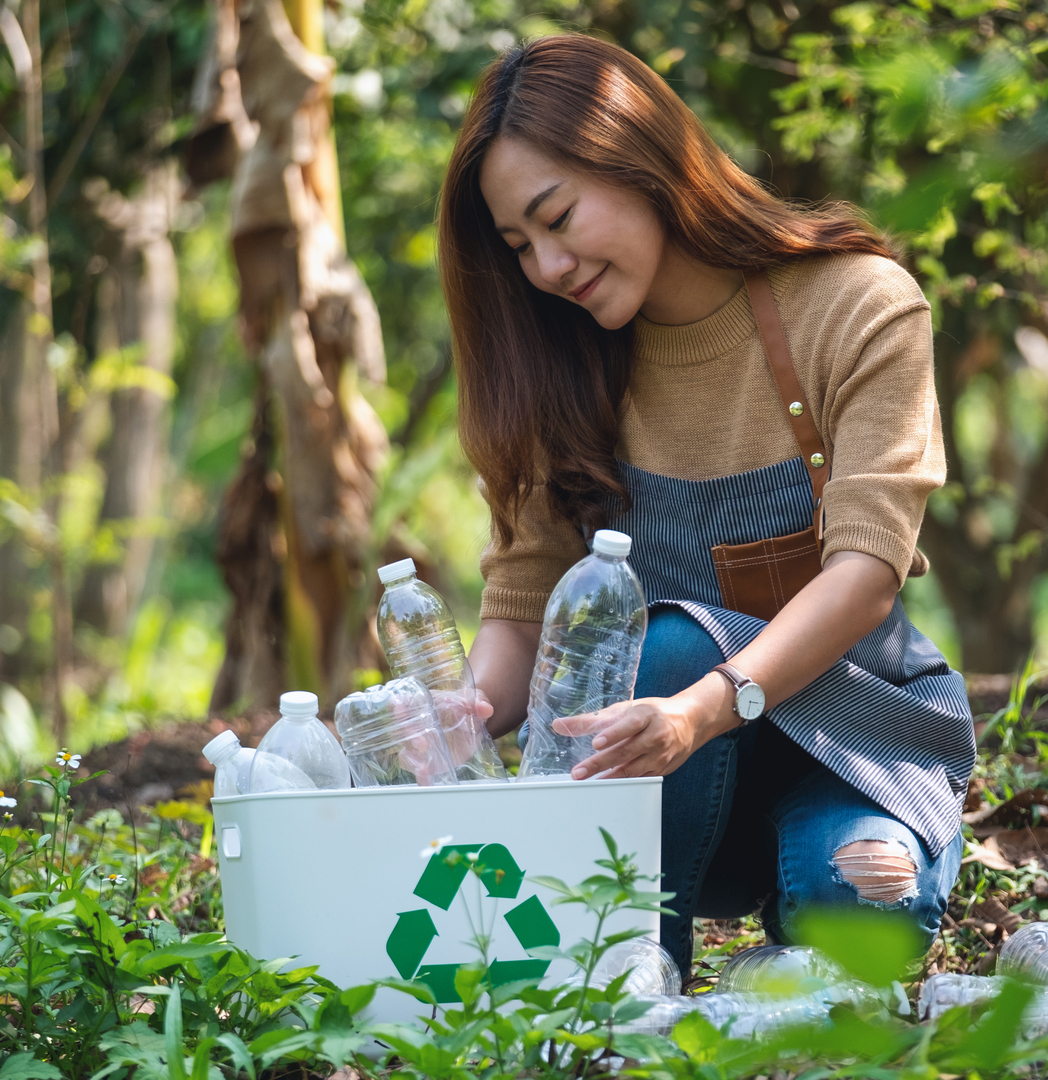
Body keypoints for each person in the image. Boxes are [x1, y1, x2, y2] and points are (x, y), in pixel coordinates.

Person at [438, 33, 975, 971]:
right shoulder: (559, 374)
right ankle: (639, 967)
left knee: (864, 916)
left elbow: (865, 577)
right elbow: (521, 609)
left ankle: (813, 898)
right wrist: (453, 715)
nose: (549, 268)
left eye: (558, 217)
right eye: (521, 247)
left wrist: (699, 709)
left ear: (641, 159)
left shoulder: (855, 306)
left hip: (851, 739)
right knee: (666, 640)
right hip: (662, 780)